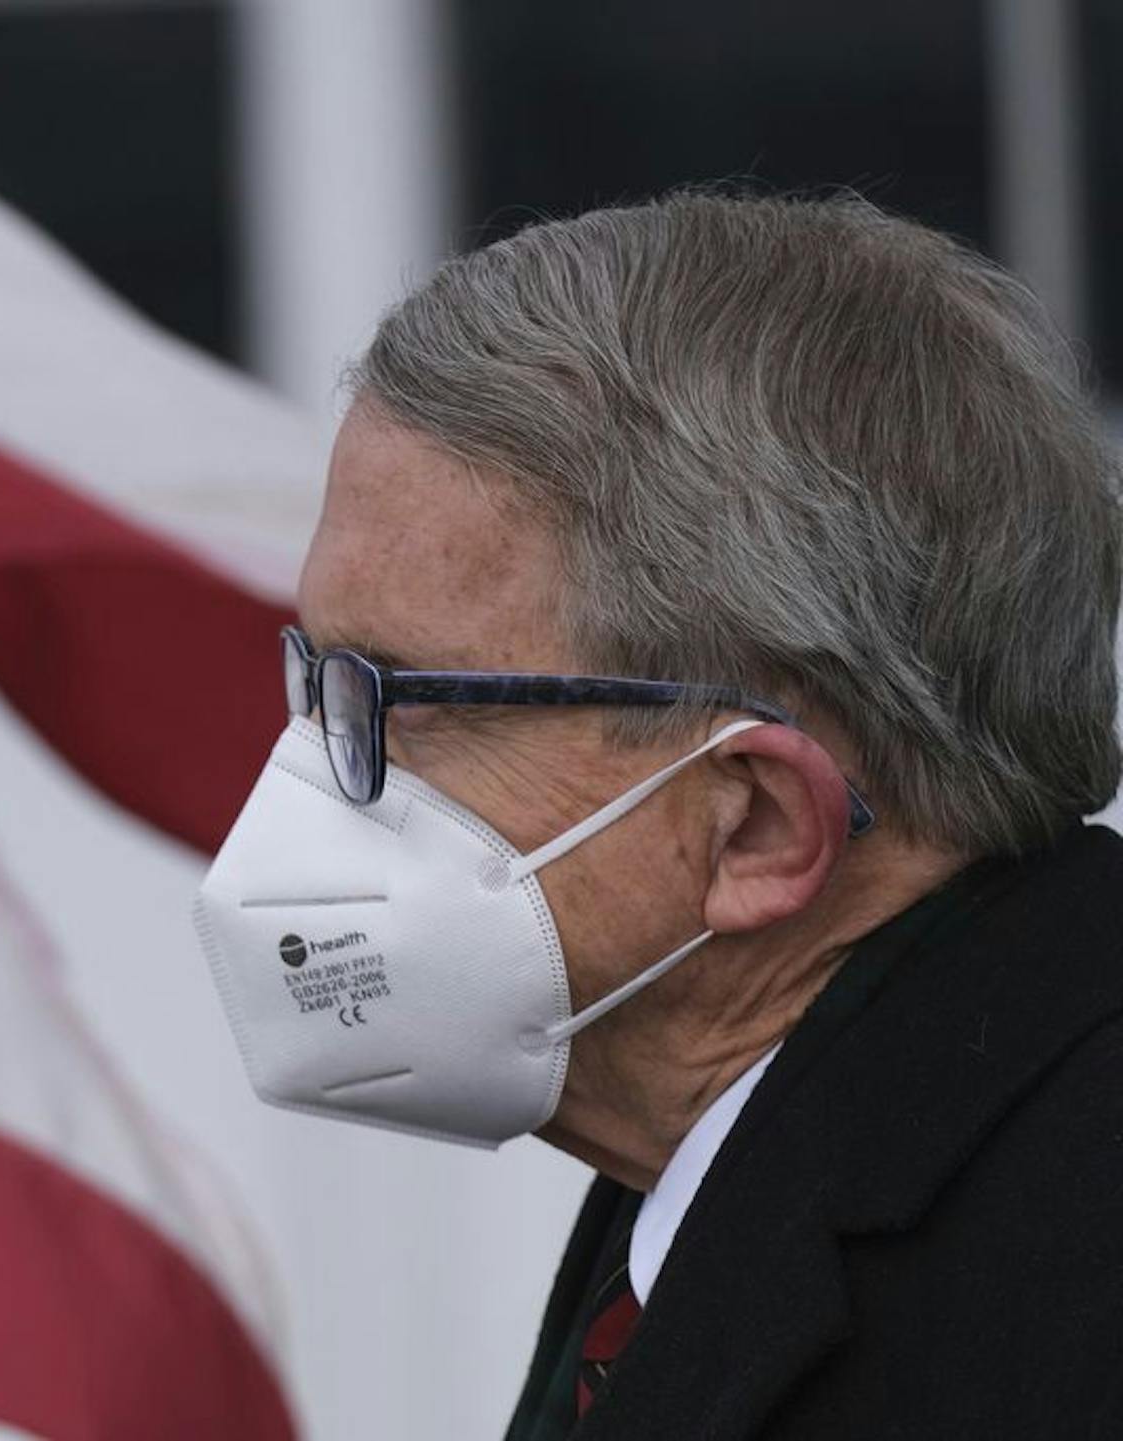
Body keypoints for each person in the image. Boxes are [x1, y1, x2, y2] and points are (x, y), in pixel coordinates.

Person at [191, 192, 1123, 1438]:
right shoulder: (743, 1163)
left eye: (392, 699)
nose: (313, 772)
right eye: (314, 678)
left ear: (755, 826)